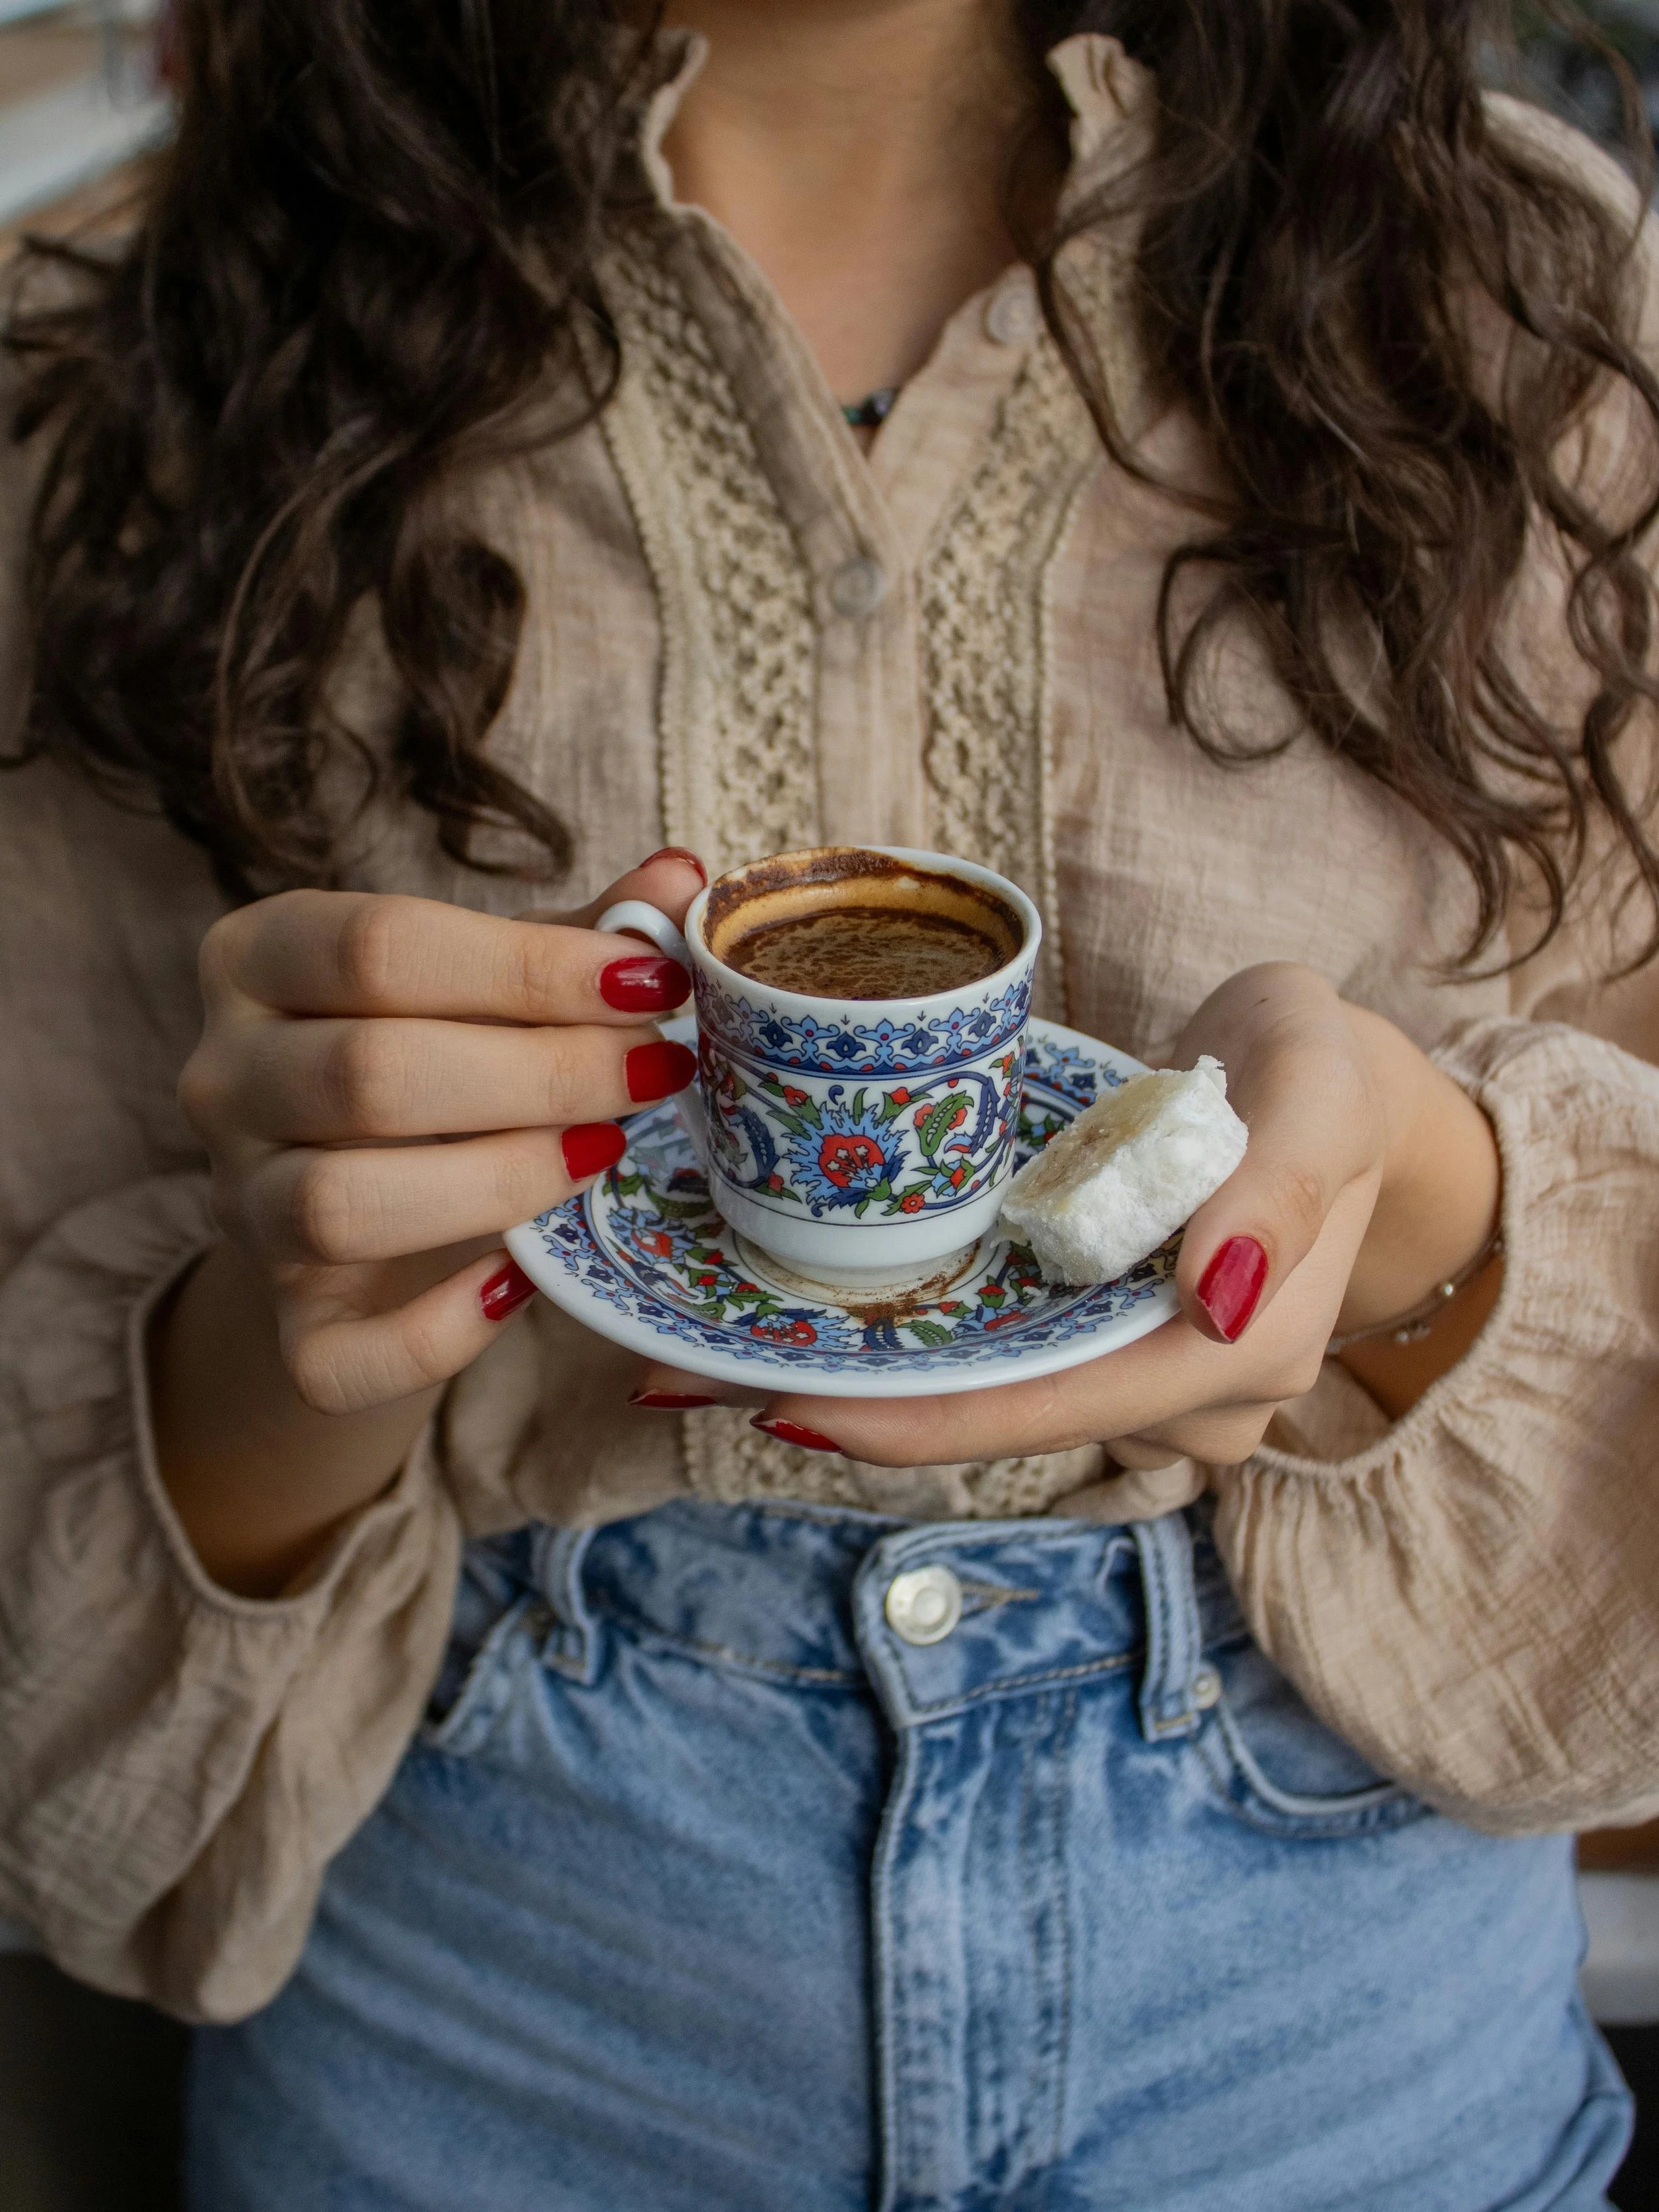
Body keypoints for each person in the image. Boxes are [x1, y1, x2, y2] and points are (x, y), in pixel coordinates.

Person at [3, 0, 1659, 2203]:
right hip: (493, 2010)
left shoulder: (1515, 292)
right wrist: (294, 1330)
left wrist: (1422, 1215)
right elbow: (66, 1701)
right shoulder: (124, 367)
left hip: (1341, 2020)